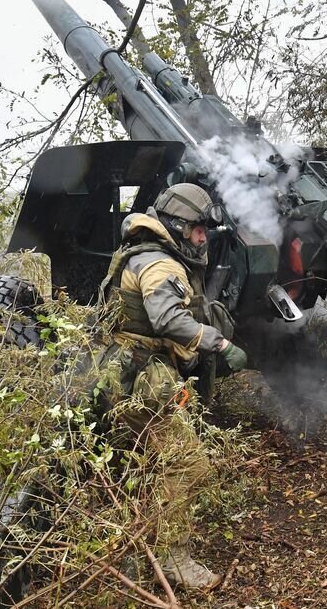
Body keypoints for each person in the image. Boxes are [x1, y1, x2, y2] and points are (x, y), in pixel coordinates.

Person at [98, 182, 247, 590]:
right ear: (179, 226)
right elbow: (166, 320)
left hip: (127, 372)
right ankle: (173, 559)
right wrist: (220, 343)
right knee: (188, 464)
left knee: (144, 465)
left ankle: (132, 549)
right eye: (199, 229)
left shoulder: (144, 253)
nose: (204, 237)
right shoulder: (160, 265)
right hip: (140, 377)